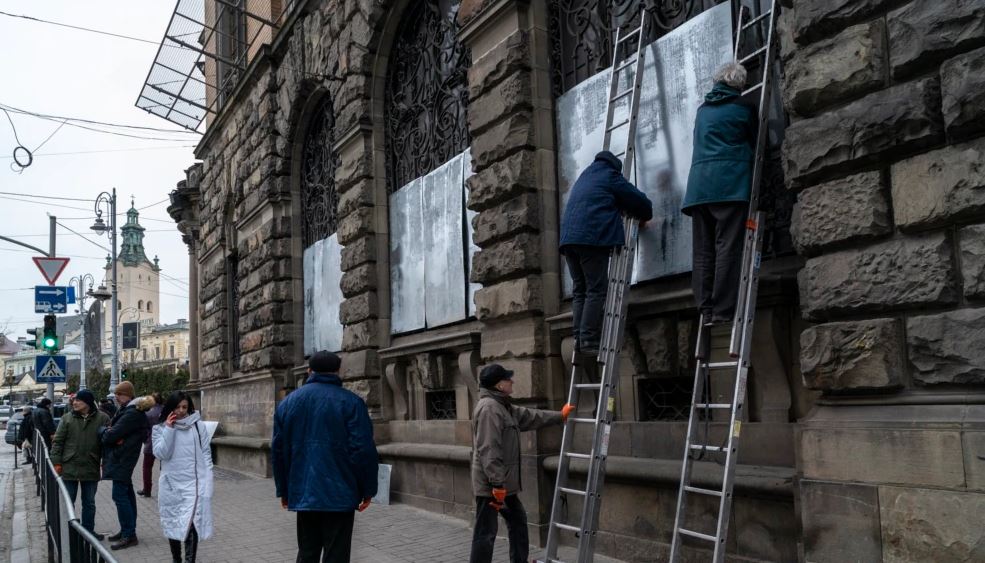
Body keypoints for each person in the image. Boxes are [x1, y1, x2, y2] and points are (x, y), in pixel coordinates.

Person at [272, 351, 379, 563]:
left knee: (307, 552)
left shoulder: (288, 404)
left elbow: (278, 452)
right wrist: (368, 489)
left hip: (304, 491)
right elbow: (363, 450)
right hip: (341, 493)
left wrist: (284, 490)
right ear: (338, 371)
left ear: (309, 371)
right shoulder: (352, 403)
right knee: (337, 555)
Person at [470, 364, 575, 563]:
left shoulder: (503, 406)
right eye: (509, 379)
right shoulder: (489, 409)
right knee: (486, 533)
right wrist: (497, 484)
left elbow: (530, 416)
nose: (513, 381)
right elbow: (489, 450)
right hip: (491, 486)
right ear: (499, 385)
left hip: (502, 485)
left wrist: (560, 416)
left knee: (518, 522)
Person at [681, 61, 758, 324]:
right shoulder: (744, 106)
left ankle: (704, 308)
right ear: (740, 83)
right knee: (727, 247)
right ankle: (723, 310)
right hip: (730, 185)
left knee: (703, 251)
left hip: (699, 187)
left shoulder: (703, 110)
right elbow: (754, 142)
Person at [559, 150, 653, 356]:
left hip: (568, 241)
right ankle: (589, 339)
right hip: (590, 239)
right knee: (596, 289)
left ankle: (579, 338)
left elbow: (598, 202)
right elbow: (638, 201)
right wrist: (646, 214)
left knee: (580, 290)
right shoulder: (610, 175)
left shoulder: (585, 176)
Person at [152, 392, 214, 563]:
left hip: (194, 485)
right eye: (177, 407)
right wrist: (169, 429)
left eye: (184, 407)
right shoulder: (159, 428)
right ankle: (176, 559)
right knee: (173, 523)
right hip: (172, 485)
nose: (181, 411)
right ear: (170, 407)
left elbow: (206, 454)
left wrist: (208, 481)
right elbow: (162, 454)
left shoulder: (198, 426)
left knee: (191, 524)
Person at [49, 390, 111, 539]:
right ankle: (66, 532)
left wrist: (106, 464)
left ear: (88, 403)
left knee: (89, 502)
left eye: (79, 400)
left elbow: (107, 444)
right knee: (68, 502)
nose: (75, 403)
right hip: (69, 466)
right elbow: (57, 442)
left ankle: (88, 532)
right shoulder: (67, 419)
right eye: (74, 400)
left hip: (91, 465)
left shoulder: (103, 418)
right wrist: (56, 462)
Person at [99, 382, 152, 550]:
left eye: (119, 394)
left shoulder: (132, 413)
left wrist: (103, 431)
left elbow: (110, 435)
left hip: (123, 457)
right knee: (126, 494)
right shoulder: (128, 410)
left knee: (120, 496)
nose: (116, 397)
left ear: (128, 395)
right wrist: (109, 432)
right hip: (123, 456)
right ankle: (127, 530)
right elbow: (113, 432)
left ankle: (129, 534)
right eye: (116, 394)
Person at [138, 393, 163, 497]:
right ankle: (165, 489)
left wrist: (145, 439)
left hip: (150, 443)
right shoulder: (166, 411)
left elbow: (143, 429)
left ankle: (147, 490)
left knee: (147, 468)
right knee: (165, 467)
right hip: (165, 442)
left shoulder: (147, 413)